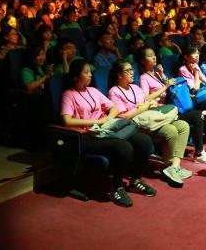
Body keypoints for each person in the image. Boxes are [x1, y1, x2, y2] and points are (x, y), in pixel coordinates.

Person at [61, 59, 156, 207]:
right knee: (125, 148)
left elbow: (114, 108)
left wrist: (108, 118)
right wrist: (97, 122)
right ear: (75, 76)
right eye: (86, 72)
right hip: (87, 136)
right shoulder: (69, 94)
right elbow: (67, 120)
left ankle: (135, 180)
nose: (90, 75)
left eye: (90, 71)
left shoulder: (93, 91)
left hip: (106, 130)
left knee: (144, 141)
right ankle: (116, 187)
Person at [137, 46, 206, 165]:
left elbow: (170, 89)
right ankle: (199, 154)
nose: (154, 57)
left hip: (173, 107)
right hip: (163, 112)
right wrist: (166, 86)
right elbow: (146, 98)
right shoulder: (143, 78)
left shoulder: (157, 75)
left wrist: (162, 75)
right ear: (143, 61)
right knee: (199, 116)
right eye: (150, 56)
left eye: (154, 54)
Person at [108, 60, 192, 187]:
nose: (132, 72)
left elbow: (148, 102)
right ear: (119, 75)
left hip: (151, 121)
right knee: (170, 130)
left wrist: (152, 104)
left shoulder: (135, 88)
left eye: (132, 69)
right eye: (128, 71)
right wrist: (144, 107)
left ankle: (174, 166)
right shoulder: (114, 91)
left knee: (183, 126)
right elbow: (124, 116)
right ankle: (168, 165)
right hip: (135, 126)